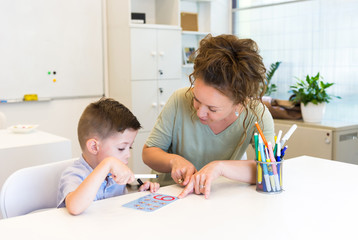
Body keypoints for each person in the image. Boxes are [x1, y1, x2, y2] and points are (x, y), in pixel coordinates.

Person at [142, 34, 275, 199]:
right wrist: (173, 161)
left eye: (212, 108)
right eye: (196, 100)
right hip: (170, 195)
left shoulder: (257, 114)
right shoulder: (179, 99)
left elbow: (270, 168)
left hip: (216, 198)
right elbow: (149, 153)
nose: (200, 113)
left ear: (239, 102)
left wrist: (220, 167)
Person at [57, 98, 160, 215]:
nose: (128, 155)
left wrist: (140, 194)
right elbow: (75, 207)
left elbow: (118, 209)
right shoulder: (74, 174)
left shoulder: (113, 175)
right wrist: (107, 164)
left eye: (129, 147)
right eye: (121, 148)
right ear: (94, 147)